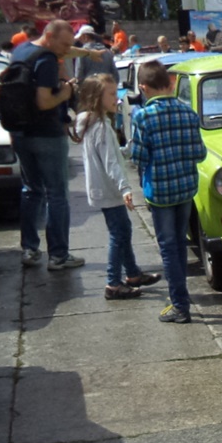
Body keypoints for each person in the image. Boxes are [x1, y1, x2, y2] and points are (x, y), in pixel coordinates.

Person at [69, 75, 160, 300]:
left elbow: (110, 155)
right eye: (110, 94)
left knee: (123, 231)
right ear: (96, 98)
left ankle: (132, 274)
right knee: (119, 233)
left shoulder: (96, 123)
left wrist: (125, 149)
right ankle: (113, 283)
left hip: (104, 189)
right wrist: (125, 187)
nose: (115, 98)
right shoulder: (99, 125)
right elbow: (110, 162)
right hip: (109, 190)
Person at [130, 59, 205, 324]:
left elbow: (138, 157)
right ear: (168, 83)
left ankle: (180, 305)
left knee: (168, 247)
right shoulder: (189, 113)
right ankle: (180, 299)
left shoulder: (142, 117)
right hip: (185, 189)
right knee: (180, 245)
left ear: (143, 87)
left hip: (160, 192)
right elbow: (200, 153)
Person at [11, 20, 84, 271]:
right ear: (50, 36)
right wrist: (65, 93)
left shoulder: (20, 51)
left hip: (20, 132)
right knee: (57, 194)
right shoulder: (47, 59)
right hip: (46, 134)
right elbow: (44, 101)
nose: (65, 50)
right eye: (63, 44)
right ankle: (59, 255)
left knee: (31, 190)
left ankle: (30, 249)